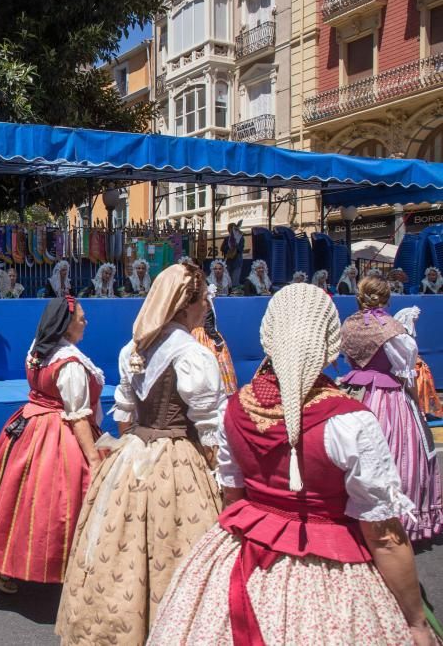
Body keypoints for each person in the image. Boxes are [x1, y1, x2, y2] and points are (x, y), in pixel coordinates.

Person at [147, 284, 433, 646]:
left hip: (247, 554)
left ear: (269, 337)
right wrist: (416, 621)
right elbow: (384, 537)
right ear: (329, 345)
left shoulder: (236, 408)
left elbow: (233, 497)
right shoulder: (350, 422)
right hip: (330, 569)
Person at [56, 263, 225, 646]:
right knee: (180, 551)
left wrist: (137, 454)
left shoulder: (134, 349)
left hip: (135, 454)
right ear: (185, 306)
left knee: (122, 552)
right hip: (180, 458)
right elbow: (211, 428)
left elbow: (125, 417)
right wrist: (218, 476)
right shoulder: (194, 355)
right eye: (202, 301)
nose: (206, 308)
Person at [0, 297, 103, 593]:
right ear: (66, 325)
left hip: (27, 425)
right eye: (81, 318)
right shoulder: (70, 364)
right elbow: (78, 416)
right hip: (55, 433)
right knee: (62, 501)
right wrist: (95, 458)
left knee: (13, 499)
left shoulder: (38, 349)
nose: (85, 322)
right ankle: (68, 565)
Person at [340, 276, 443, 541]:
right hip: (387, 396)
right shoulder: (391, 327)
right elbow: (405, 369)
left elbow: (346, 354)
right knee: (399, 451)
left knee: (351, 452)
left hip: (355, 393)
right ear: (387, 298)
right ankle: (394, 519)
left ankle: (354, 516)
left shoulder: (349, 324)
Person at [395, 306, 443, 420]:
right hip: (402, 367)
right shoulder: (401, 336)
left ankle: (422, 406)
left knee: (423, 370)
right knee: (420, 372)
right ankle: (417, 405)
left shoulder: (406, 335)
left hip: (409, 363)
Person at [192, 284, 239, 396]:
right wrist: (218, 339)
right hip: (205, 336)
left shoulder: (196, 306)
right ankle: (220, 389)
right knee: (217, 360)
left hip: (195, 334)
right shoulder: (206, 305)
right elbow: (208, 325)